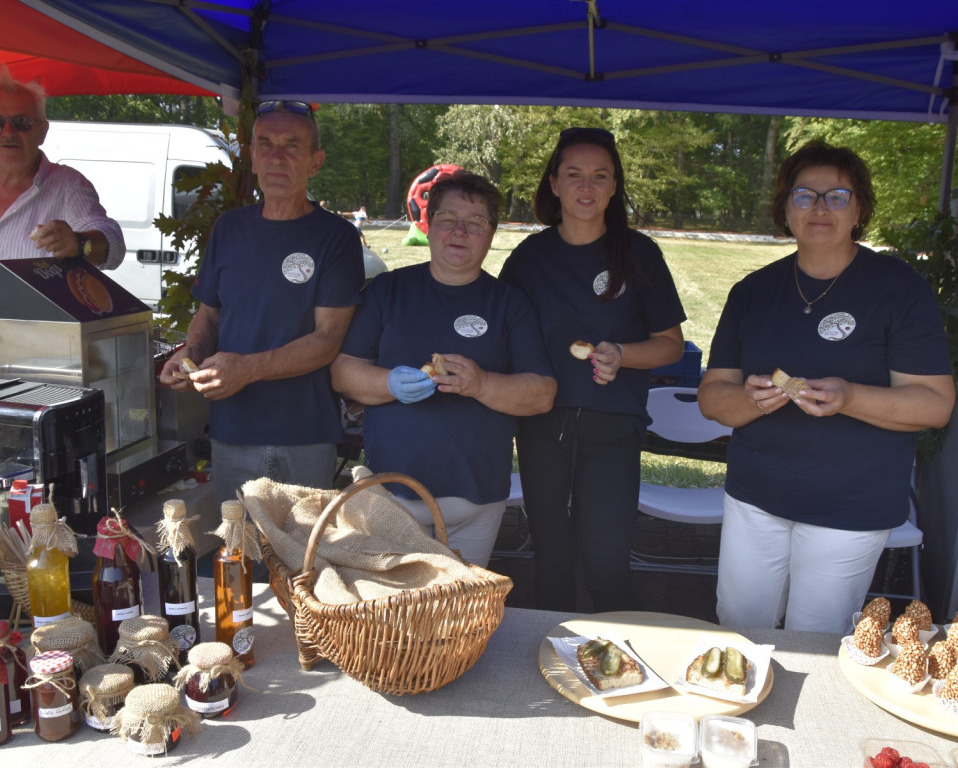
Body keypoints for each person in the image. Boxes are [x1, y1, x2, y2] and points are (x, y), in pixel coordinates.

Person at [697, 140, 956, 634]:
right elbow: (713, 396)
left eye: (837, 196)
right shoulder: (752, 292)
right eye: (804, 195)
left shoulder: (898, 290)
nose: (819, 208)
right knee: (738, 624)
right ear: (785, 209)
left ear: (858, 209)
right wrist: (751, 401)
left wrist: (850, 397)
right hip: (757, 496)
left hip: (851, 504)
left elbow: (935, 404)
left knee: (815, 638)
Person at [499, 127, 686, 611]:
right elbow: (504, 343)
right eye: (574, 175)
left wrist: (623, 355)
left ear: (614, 186)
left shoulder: (638, 253)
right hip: (543, 427)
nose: (587, 187)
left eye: (600, 176)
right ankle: (547, 664)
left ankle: (619, 664)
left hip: (614, 428)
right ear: (555, 184)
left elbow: (669, 346)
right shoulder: (529, 259)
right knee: (552, 560)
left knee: (606, 563)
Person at [331, 171, 556, 567]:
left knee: (457, 618)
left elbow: (541, 394)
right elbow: (344, 371)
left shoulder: (509, 304)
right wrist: (389, 382)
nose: (460, 231)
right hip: (389, 495)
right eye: (447, 219)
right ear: (428, 224)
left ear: (491, 235)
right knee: (390, 614)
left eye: (475, 223)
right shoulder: (387, 292)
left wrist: (482, 383)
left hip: (476, 500)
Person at [160, 99, 364, 511]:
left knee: (304, 565)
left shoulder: (335, 237)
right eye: (265, 144)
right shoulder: (230, 229)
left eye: (292, 145)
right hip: (232, 428)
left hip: (305, 431)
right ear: (252, 157)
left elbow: (328, 339)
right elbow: (209, 314)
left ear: (315, 162)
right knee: (237, 560)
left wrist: (246, 368)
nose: (276, 156)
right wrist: (192, 355)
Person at [0, 67, 124, 272]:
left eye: (22, 123)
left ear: (42, 132)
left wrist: (80, 244)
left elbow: (114, 247)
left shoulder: (68, 185)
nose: (8, 132)